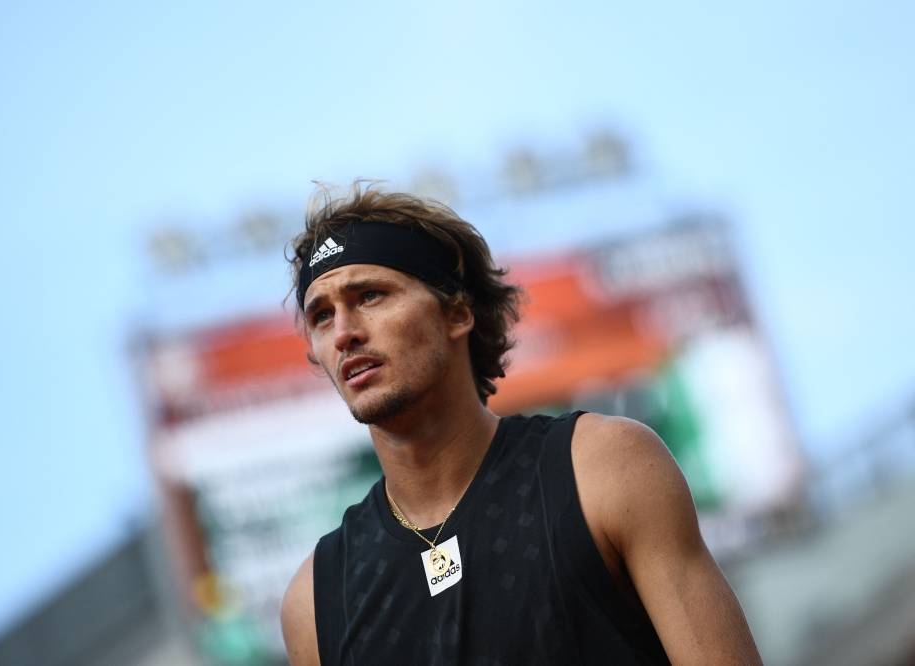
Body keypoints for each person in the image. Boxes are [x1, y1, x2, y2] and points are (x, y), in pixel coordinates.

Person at [280, 183, 762, 665]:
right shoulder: (315, 601)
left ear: (458, 314)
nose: (343, 333)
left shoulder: (604, 467)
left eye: (369, 296)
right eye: (321, 316)